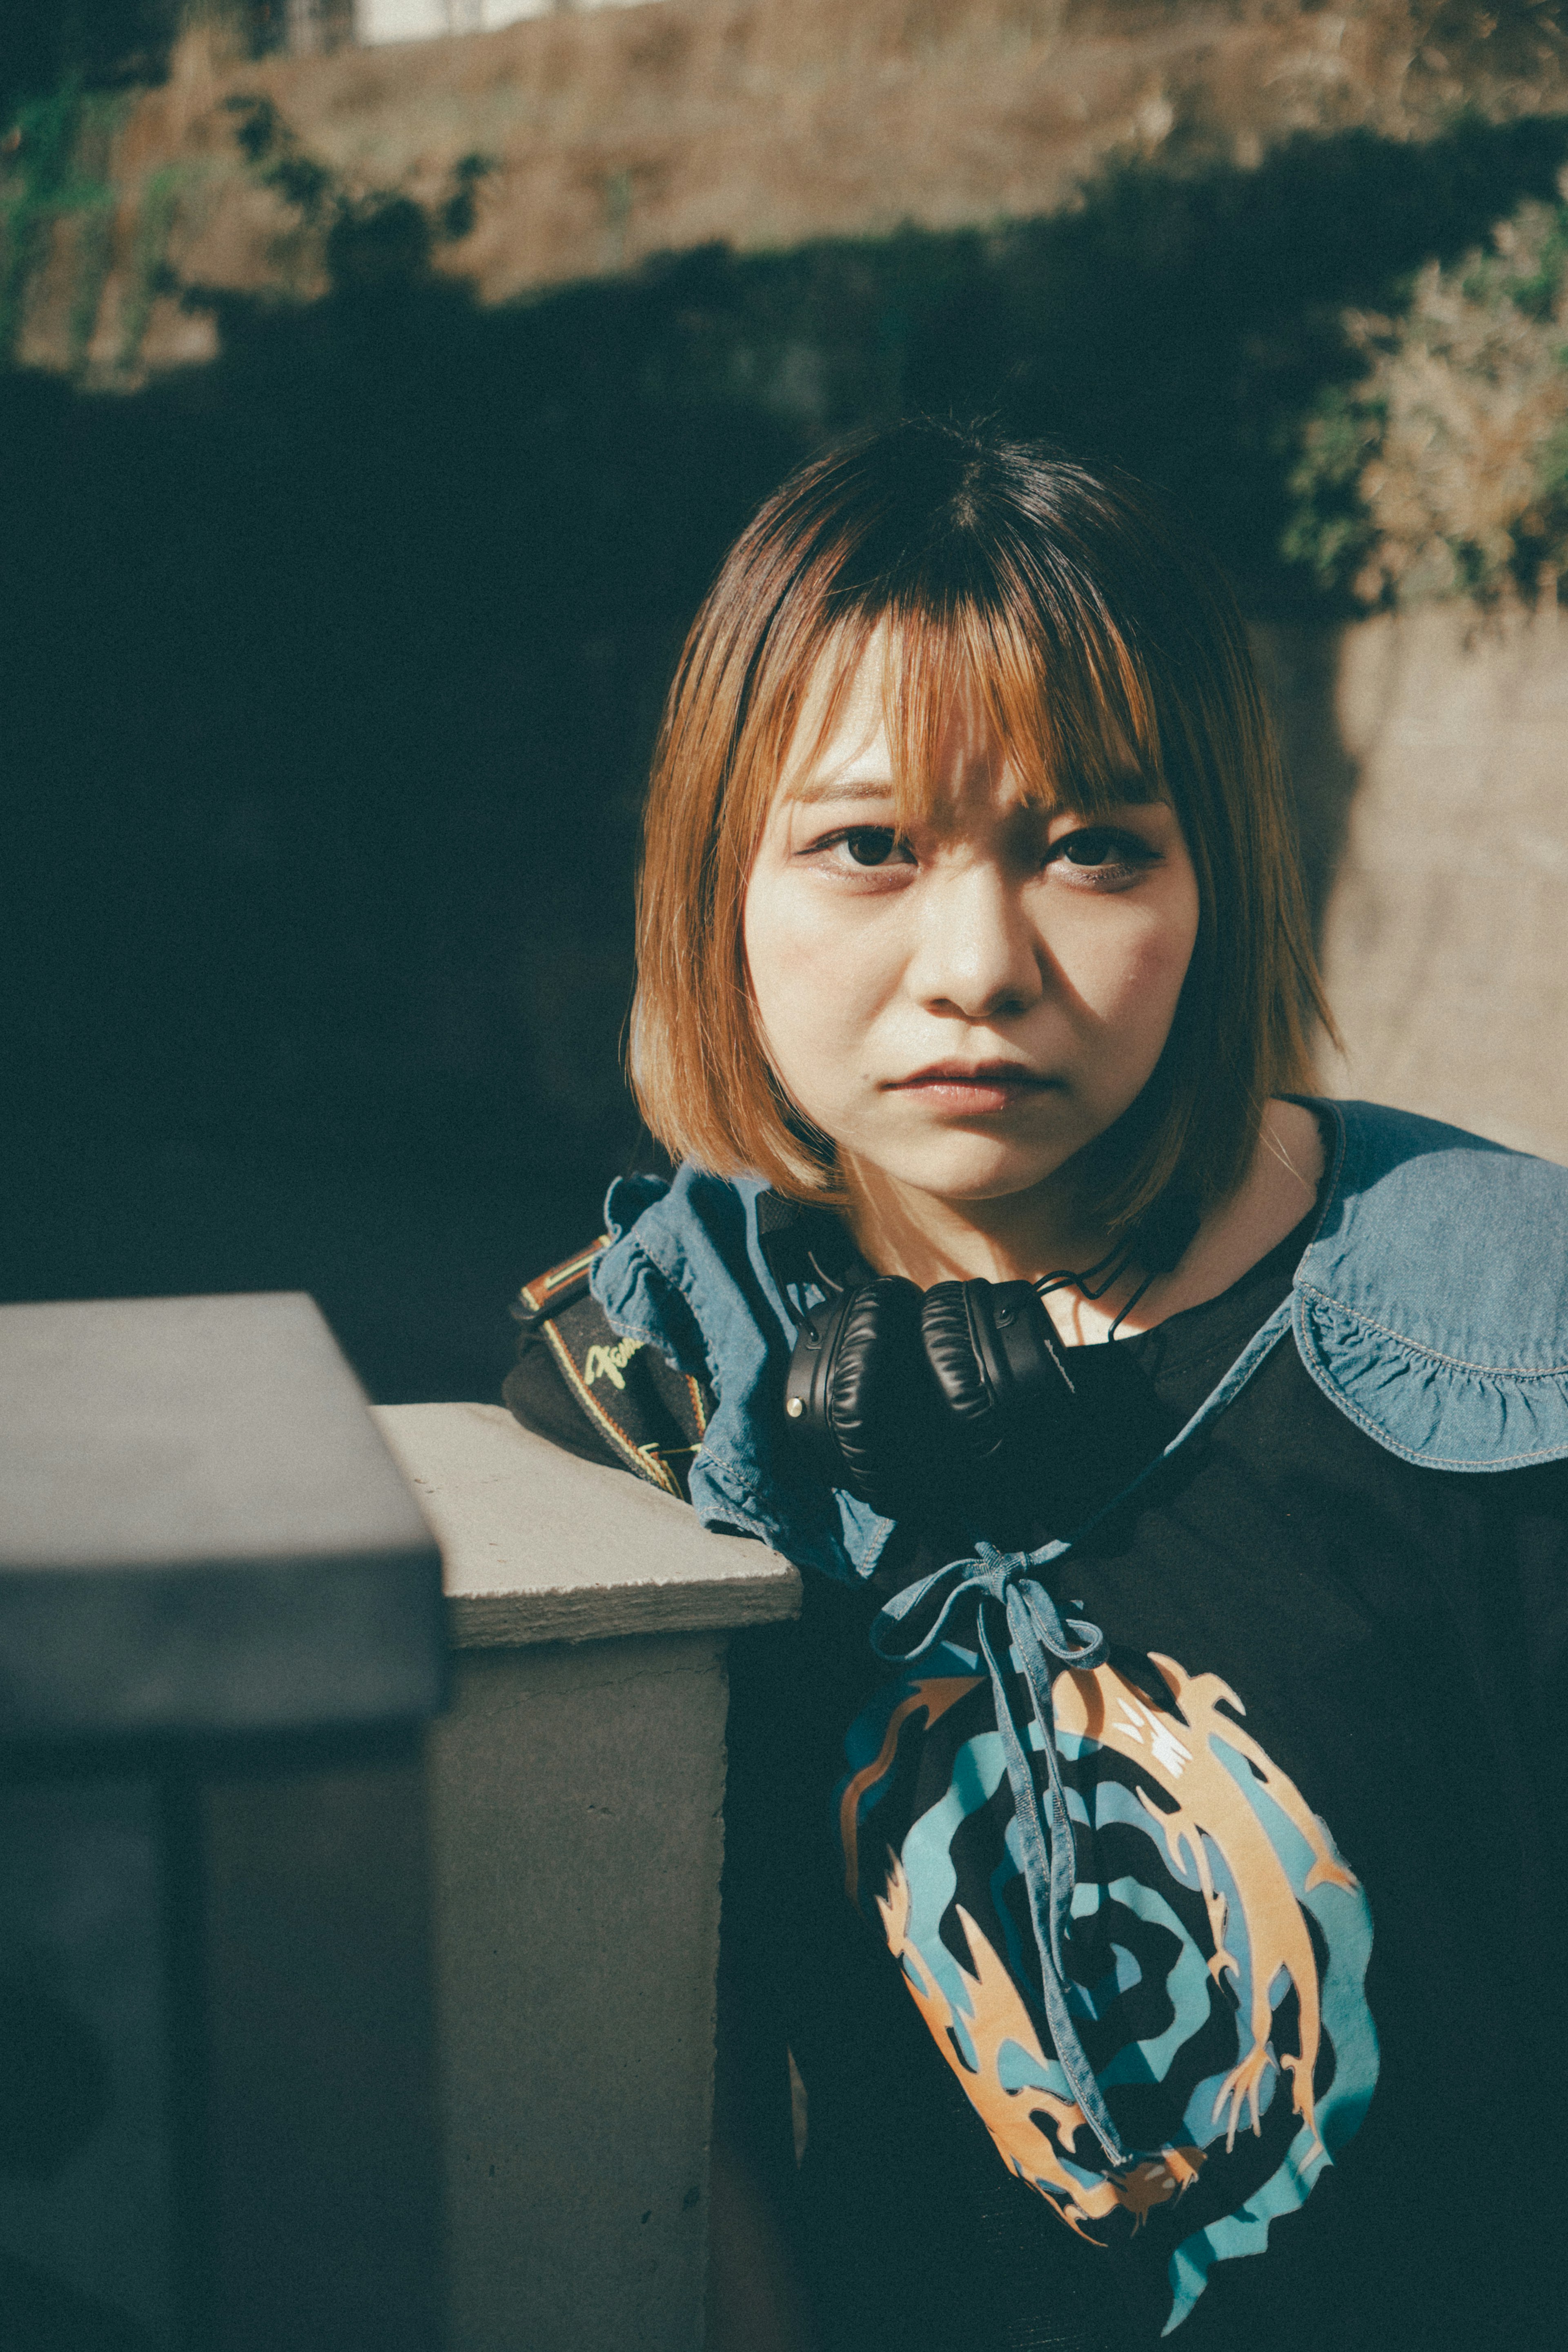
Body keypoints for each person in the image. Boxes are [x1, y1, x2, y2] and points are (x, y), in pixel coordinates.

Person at [504, 420, 1568, 2352]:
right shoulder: (645, 1404)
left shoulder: (1516, 1348)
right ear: (717, 883)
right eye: (866, 849)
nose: (978, 962)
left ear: (1217, 881)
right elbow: (675, 2116)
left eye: (1090, 846)